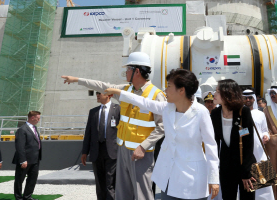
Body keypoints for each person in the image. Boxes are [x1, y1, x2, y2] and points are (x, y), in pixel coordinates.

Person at [62, 52, 166, 200]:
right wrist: (77, 80)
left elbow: (162, 126)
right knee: (122, 193)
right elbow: (103, 86)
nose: (125, 72)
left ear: (137, 71)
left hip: (140, 153)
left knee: (142, 193)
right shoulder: (125, 90)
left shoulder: (156, 95)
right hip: (122, 150)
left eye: (128, 69)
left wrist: (143, 146)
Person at [103, 69, 219, 200]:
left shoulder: (201, 112)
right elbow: (144, 102)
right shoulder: (167, 108)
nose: (165, 90)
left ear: (181, 90)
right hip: (169, 176)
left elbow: (210, 146)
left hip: (192, 177)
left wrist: (214, 178)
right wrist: (119, 92)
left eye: (169, 86)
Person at [211, 79, 256, 200]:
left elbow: (248, 143)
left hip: (245, 165)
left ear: (227, 93)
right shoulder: (215, 114)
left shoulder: (243, 112)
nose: (214, 94)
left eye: (217, 91)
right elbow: (214, 143)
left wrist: (246, 173)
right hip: (226, 168)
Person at [81, 90, 120, 200]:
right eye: (96, 93)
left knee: (110, 182)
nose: (97, 95)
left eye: (100, 93)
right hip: (96, 152)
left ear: (109, 95)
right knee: (99, 183)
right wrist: (85, 152)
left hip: (112, 152)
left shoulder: (118, 109)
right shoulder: (93, 112)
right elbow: (88, 133)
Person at [242, 89, 275, 200]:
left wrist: (266, 136)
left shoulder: (260, 114)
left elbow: (265, 130)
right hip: (246, 153)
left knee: (264, 187)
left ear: (254, 99)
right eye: (245, 98)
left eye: (250, 98)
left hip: (260, 152)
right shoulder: (239, 113)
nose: (248, 100)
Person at [12, 111, 42, 200]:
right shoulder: (22, 129)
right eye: (38, 118)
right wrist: (23, 160)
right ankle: (18, 197)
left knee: (32, 179)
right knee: (19, 179)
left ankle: (27, 196)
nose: (39, 120)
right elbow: (20, 146)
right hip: (25, 160)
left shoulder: (34, 128)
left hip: (35, 159)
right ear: (32, 117)